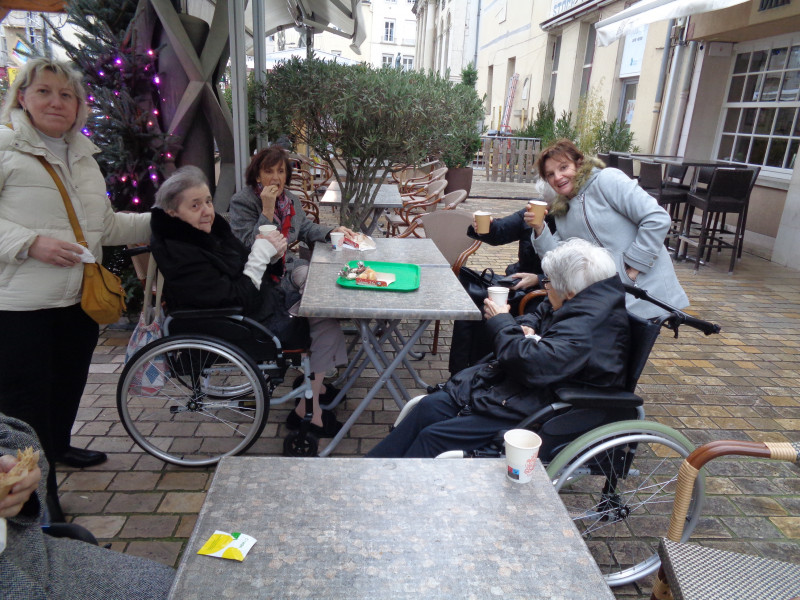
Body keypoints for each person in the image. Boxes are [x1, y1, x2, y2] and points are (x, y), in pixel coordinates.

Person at [0, 58, 151, 520]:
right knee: (25, 406)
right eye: (45, 91)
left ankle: (59, 448)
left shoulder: (82, 158)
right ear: (22, 96)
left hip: (78, 302)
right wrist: (29, 243)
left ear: (80, 106)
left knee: (67, 388)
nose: (56, 102)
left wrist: (166, 218)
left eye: (67, 95)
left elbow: (103, 227)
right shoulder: (5, 147)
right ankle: (35, 502)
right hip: (21, 307)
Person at [366, 238, 630, 458]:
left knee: (434, 437)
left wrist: (502, 322)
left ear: (569, 291)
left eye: (548, 283)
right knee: (430, 408)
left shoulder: (588, 326)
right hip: (521, 392)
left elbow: (532, 365)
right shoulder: (584, 300)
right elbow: (540, 313)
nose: (545, 288)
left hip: (544, 406)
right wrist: (525, 327)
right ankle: (369, 473)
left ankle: (394, 496)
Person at [150, 166, 344, 437]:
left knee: (320, 305)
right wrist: (262, 254)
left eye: (207, 201)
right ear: (172, 212)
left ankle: (315, 388)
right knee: (322, 317)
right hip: (241, 321)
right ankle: (310, 408)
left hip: (254, 305)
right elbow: (236, 293)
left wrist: (272, 257)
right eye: (195, 205)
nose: (206, 210)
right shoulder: (184, 250)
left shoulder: (207, 232)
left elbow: (246, 266)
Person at [228, 145, 356, 432]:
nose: (276, 178)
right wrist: (267, 210)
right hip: (260, 278)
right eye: (269, 171)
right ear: (257, 174)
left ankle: (315, 377)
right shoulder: (242, 202)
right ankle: (311, 400)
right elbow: (251, 246)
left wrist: (334, 231)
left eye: (281, 171)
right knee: (322, 314)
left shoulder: (292, 200)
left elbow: (306, 229)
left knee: (321, 291)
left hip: (290, 267)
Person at [0, 411, 175, 599]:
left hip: (33, 559)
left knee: (178, 588)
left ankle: (62, 450)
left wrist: (16, 480)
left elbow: (12, 434)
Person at [531, 139, 689, 318]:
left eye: (563, 167)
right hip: (608, 300)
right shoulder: (562, 210)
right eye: (550, 174)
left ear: (579, 163)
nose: (558, 177)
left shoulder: (607, 180)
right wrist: (539, 228)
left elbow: (656, 218)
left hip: (644, 289)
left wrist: (633, 268)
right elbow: (556, 260)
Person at [449, 206, 556, 375]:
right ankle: (458, 373)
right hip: (516, 282)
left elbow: (573, 273)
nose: (557, 179)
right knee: (471, 297)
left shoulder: (573, 222)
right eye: (549, 177)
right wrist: (487, 228)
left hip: (544, 293)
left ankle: (480, 372)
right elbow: (502, 230)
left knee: (487, 306)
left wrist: (539, 278)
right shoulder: (533, 211)